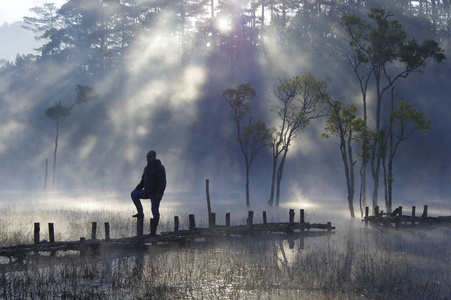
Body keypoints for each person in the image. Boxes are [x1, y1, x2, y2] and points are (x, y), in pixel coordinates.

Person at [131, 150, 166, 235]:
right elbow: (143, 181)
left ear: (154, 157)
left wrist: (159, 193)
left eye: (149, 156)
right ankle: (140, 212)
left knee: (154, 210)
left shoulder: (159, 167)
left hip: (155, 194)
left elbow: (163, 182)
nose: (147, 158)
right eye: (147, 156)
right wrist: (136, 189)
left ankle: (153, 231)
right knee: (133, 195)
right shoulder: (147, 168)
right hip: (147, 191)